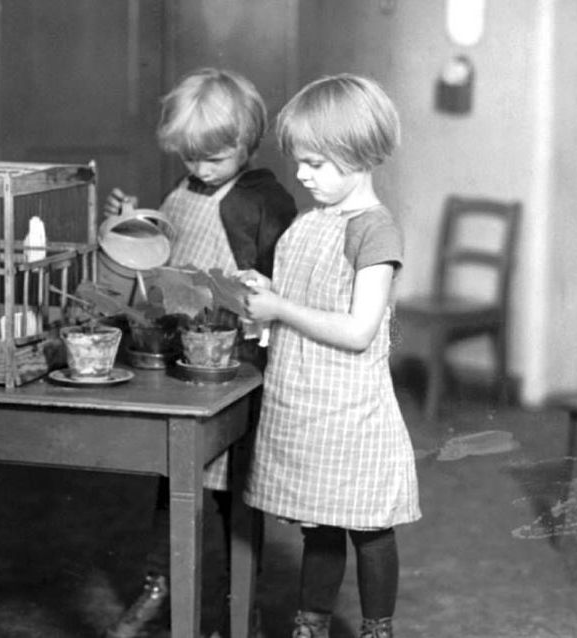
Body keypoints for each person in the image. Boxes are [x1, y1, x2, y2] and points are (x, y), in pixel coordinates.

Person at [102, 67, 297, 638]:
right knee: (174, 484)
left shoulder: (264, 201)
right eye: (191, 157)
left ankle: (240, 613)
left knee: (233, 498)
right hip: (178, 362)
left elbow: (285, 284)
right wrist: (135, 220)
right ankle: (158, 587)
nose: (200, 170)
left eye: (213, 158)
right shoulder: (183, 190)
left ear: (248, 141)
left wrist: (254, 284)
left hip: (232, 366)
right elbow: (163, 258)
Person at [241, 74, 421, 638]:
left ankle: (376, 629)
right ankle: (310, 625)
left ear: (356, 155)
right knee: (318, 524)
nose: (301, 173)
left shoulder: (375, 231)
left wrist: (278, 308)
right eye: (300, 161)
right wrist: (262, 288)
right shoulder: (311, 221)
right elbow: (302, 292)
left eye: (315, 162)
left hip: (350, 409)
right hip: (304, 399)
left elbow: (359, 330)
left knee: (369, 528)